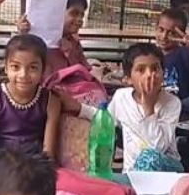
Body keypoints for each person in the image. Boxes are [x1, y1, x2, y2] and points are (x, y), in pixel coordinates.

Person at [58, 43, 181, 172]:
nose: (150, 75)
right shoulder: (122, 97)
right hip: (132, 173)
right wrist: (79, 108)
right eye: (141, 70)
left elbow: (158, 147)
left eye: (155, 68)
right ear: (127, 79)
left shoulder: (172, 103)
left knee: (149, 157)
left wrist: (148, 108)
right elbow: (106, 119)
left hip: (167, 170)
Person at [0, 35, 62, 174]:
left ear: (44, 69)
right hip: (1, 163)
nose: (23, 74)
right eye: (15, 67)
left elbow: (48, 153)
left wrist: (45, 172)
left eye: (33, 68)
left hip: (34, 165)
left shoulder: (51, 102)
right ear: (6, 67)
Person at [18, 0, 90, 76]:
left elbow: (85, 71)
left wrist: (70, 54)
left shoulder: (74, 43)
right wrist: (23, 36)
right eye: (74, 13)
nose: (80, 19)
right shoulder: (37, 40)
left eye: (82, 15)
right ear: (57, 13)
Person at [155, 8, 189, 100]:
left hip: (182, 104)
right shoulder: (151, 54)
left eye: (171, 33)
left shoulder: (184, 53)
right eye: (161, 30)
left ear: (180, 35)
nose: (164, 36)